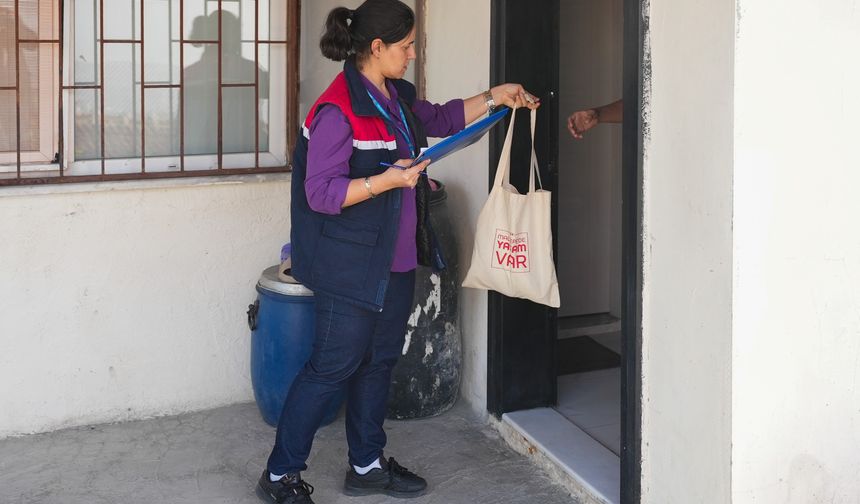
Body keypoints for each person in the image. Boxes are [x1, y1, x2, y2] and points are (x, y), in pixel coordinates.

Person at [256, 1, 540, 503]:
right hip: (349, 265)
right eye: (406, 46)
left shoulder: (397, 96)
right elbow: (320, 194)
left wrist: (497, 97)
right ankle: (279, 475)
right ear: (377, 47)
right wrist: (384, 180)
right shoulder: (337, 110)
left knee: (379, 362)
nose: (412, 53)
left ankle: (365, 465)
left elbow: (444, 116)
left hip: (395, 259)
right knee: (331, 368)